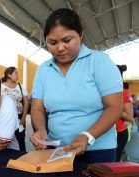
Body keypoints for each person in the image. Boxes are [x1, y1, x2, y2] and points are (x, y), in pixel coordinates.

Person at [30, 8, 123, 164]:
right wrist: (40, 129)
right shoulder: (44, 69)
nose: (60, 48)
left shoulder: (99, 61)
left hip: (97, 150)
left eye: (67, 40)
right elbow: (37, 108)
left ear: (81, 34)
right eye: (52, 42)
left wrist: (87, 136)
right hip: (56, 150)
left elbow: (114, 107)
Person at [1, 66, 28, 151]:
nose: (17, 75)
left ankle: (23, 160)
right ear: (9, 75)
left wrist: (23, 118)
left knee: (21, 140)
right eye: (15, 73)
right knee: (6, 141)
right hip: (5, 118)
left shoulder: (21, 86)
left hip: (19, 117)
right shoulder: (0, 86)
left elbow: (26, 102)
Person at [115, 65, 133, 162]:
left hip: (119, 134)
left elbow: (130, 117)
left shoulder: (124, 93)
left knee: (112, 163)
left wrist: (113, 107)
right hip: (103, 133)